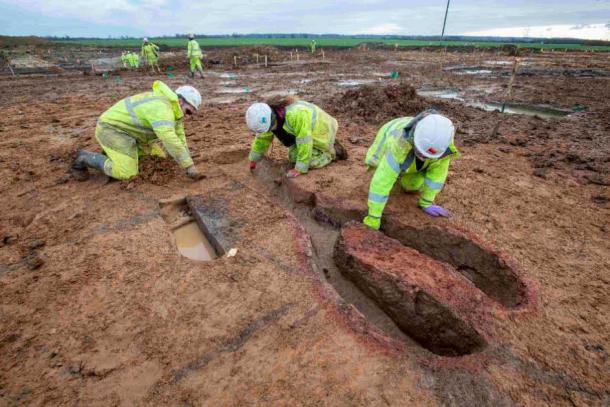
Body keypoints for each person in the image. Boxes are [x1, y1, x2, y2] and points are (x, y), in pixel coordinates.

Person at [71, 81, 203, 181]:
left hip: (134, 135)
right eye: (189, 111)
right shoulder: (162, 108)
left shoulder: (175, 111)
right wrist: (189, 166)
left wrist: (187, 154)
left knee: (158, 159)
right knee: (128, 173)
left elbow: (179, 135)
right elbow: (169, 138)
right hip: (112, 130)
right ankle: (85, 158)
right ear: (180, 101)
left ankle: (113, 154)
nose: (188, 116)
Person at [363, 110, 460, 230]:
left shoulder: (443, 147)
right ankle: (382, 167)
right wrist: (373, 217)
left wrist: (426, 202)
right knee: (376, 163)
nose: (423, 157)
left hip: (421, 141)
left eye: (427, 156)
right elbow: (382, 180)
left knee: (412, 185)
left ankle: (403, 172)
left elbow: (436, 177)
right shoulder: (399, 144)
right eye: (420, 152)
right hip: (390, 131)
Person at [245, 96, 346, 178]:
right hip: (308, 132)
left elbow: (304, 141)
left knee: (304, 160)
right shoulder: (271, 115)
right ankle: (325, 150)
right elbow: (263, 138)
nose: (268, 131)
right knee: (294, 156)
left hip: (322, 131)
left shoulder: (295, 115)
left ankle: (331, 153)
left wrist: (300, 168)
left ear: (272, 118)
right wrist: (254, 158)